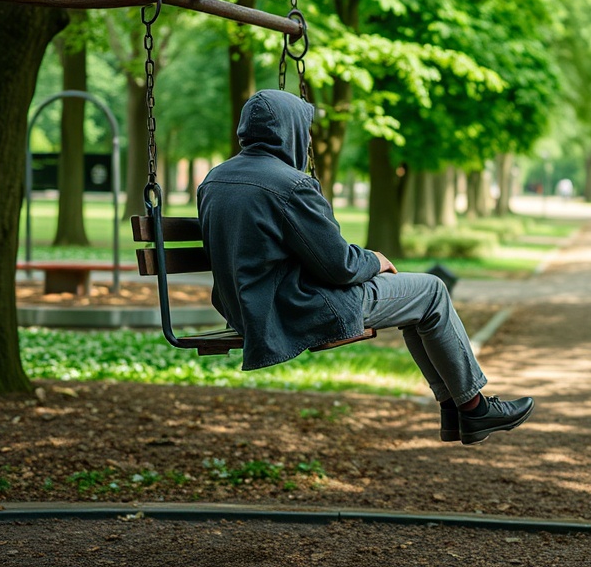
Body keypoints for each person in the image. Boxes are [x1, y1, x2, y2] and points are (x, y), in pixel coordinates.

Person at [197, 90, 534, 445]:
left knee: (417, 306)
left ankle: (459, 410)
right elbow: (339, 266)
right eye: (306, 129)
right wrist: (376, 260)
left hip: (245, 309)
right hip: (298, 308)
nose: (308, 138)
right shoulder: (290, 185)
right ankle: (473, 409)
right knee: (431, 291)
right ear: (289, 130)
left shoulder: (214, 180)